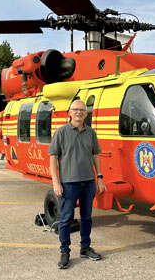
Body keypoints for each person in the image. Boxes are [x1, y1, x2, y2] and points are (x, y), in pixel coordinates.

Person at [48, 99, 107, 269]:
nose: (79, 112)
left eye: (82, 110)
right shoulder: (61, 132)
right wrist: (56, 182)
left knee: (87, 217)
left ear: (86, 113)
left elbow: (96, 155)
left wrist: (100, 177)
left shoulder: (91, 133)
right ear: (70, 112)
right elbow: (53, 157)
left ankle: (85, 248)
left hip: (88, 182)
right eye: (75, 109)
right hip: (68, 183)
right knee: (66, 219)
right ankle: (65, 252)